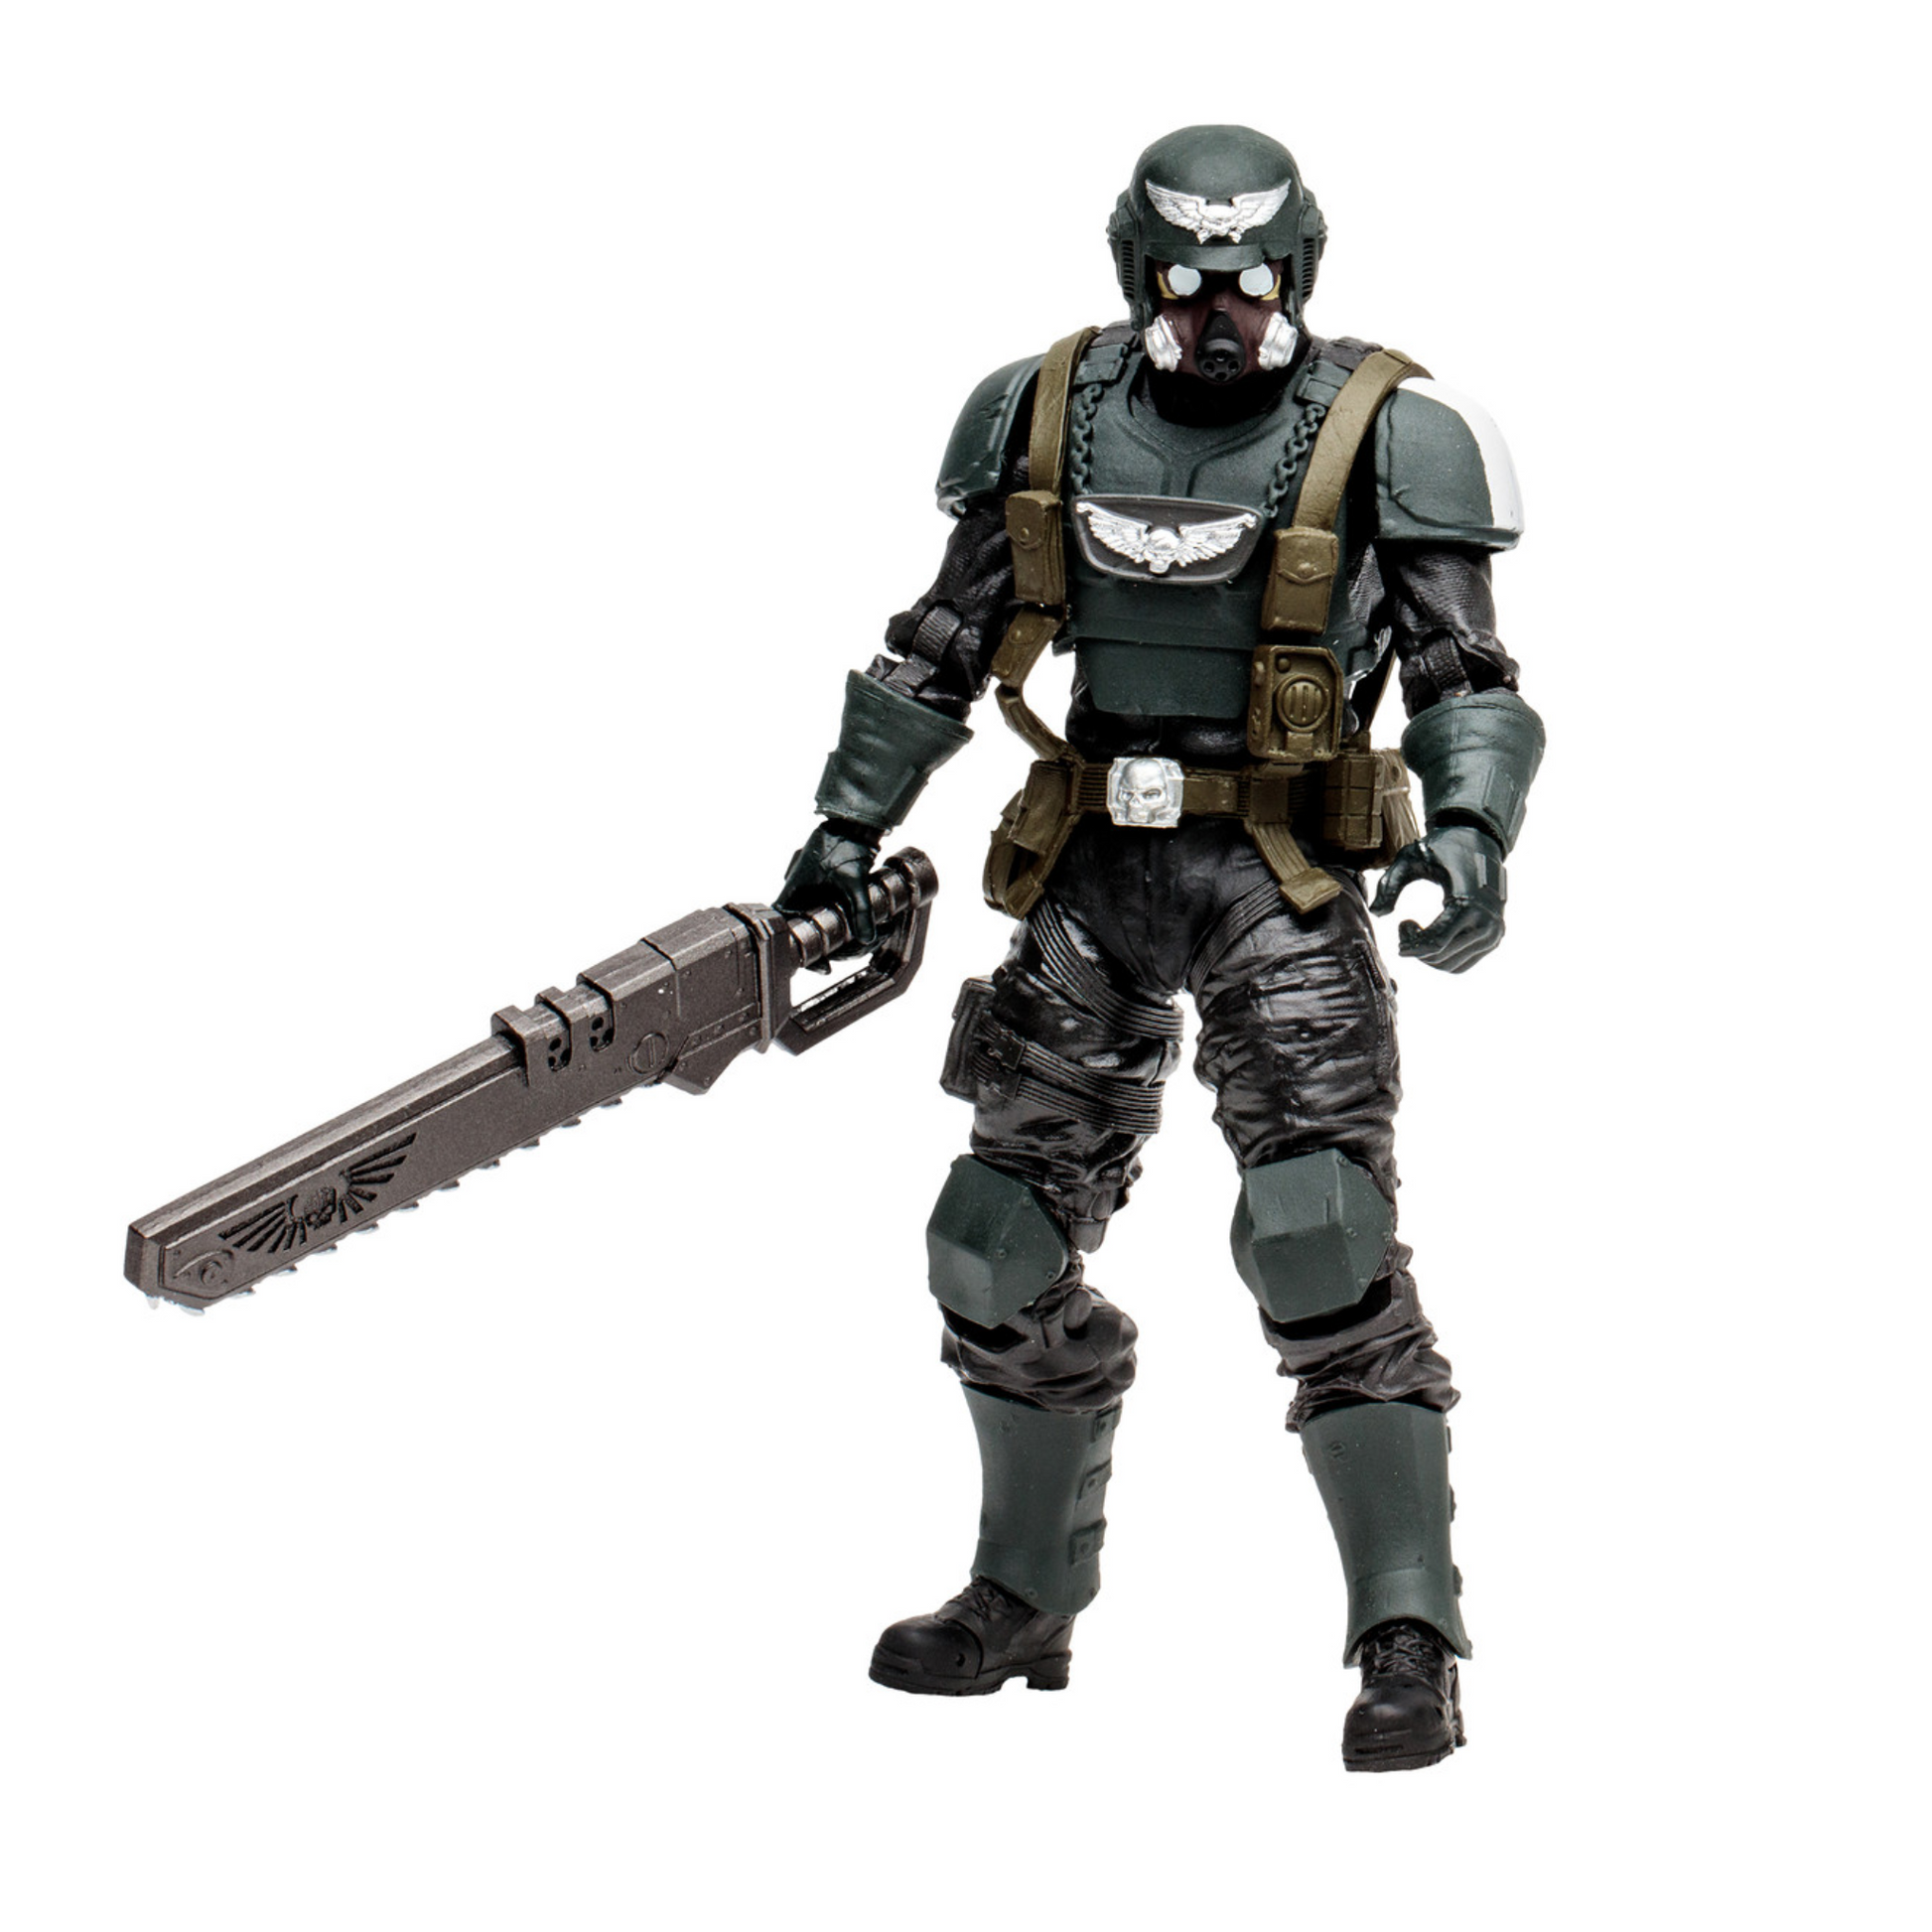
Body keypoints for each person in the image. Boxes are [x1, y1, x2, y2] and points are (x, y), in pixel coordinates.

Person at [775, 124, 1544, 1772]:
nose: (1219, 310)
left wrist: (1472, 826)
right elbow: (939, 641)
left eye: (1251, 277)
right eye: (1188, 278)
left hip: (1280, 876)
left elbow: (1463, 672)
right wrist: (843, 827)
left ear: (1298, 270)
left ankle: (1406, 1631)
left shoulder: (1388, 429)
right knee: (987, 1244)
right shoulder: (1041, 411)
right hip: (1093, 877)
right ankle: (1023, 1592)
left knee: (1317, 1235)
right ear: (1140, 270)